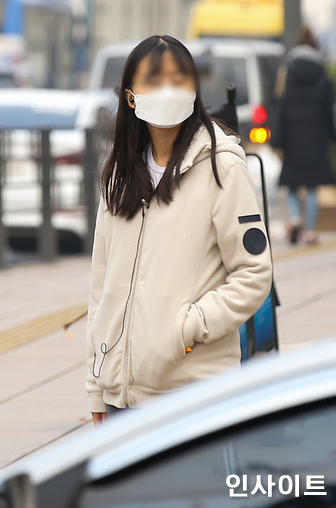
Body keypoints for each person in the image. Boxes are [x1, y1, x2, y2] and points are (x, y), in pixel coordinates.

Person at [85, 35, 273, 425]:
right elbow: (101, 287)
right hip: (122, 394)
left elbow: (254, 273)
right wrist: (97, 386)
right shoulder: (119, 174)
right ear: (131, 97)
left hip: (193, 393)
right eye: (154, 79)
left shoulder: (223, 165)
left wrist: (189, 328)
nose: (168, 89)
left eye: (179, 78)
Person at [271, 26, 336, 245]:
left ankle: (295, 218)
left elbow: (279, 106)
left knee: (291, 183)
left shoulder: (287, 72)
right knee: (311, 186)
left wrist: (277, 138)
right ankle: (309, 231)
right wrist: (332, 137)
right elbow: (330, 110)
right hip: (316, 138)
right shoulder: (323, 74)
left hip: (292, 137)